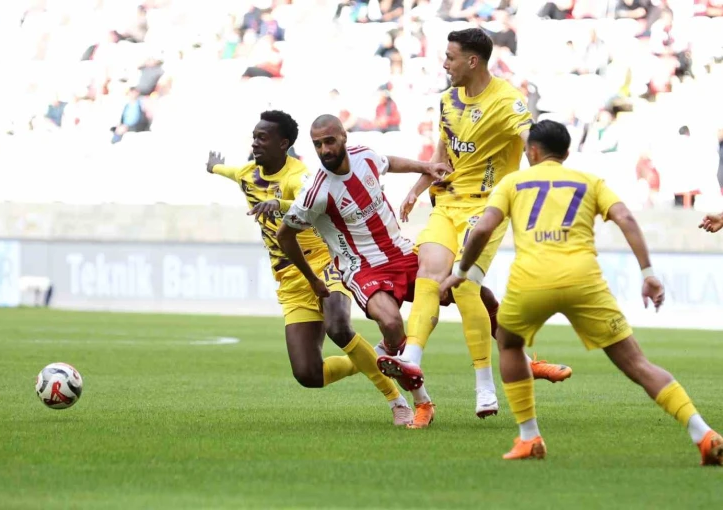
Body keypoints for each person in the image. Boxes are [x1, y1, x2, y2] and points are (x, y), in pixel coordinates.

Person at [440, 120, 722, 464]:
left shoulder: (512, 182)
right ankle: (702, 432)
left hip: (532, 281)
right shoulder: (589, 181)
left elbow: (483, 228)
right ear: (567, 153)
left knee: (509, 343)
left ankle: (529, 437)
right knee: (636, 362)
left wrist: (460, 272)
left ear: (532, 151)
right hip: (584, 280)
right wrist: (648, 273)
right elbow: (626, 219)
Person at [399, 28, 571, 420]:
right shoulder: (446, 101)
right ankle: (411, 356)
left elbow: (532, 144)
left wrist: (543, 186)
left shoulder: (508, 101)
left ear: (472, 61)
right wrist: (416, 186)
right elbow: (441, 157)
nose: (444, 64)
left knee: (463, 287)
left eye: (450, 57)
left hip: (487, 208)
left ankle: (484, 385)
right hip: (448, 203)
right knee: (429, 270)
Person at [207, 110, 414, 426]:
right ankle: (366, 358)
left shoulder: (299, 177)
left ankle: (397, 402)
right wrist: (213, 167)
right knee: (308, 374)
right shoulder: (248, 173)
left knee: (339, 328)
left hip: (325, 262)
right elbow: (229, 171)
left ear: (283, 143)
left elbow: (310, 200)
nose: (255, 144)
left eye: (263, 138)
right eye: (254, 138)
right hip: (290, 277)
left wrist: (279, 205)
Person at [278, 114, 451, 429]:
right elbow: (284, 235)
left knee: (460, 290)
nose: (324, 149)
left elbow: (388, 162)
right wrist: (312, 277)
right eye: (317, 145)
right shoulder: (317, 191)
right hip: (362, 267)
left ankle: (516, 355)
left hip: (400, 251)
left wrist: (425, 167)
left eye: (329, 141)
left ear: (343, 137)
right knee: (390, 321)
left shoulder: (364, 155)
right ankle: (421, 402)